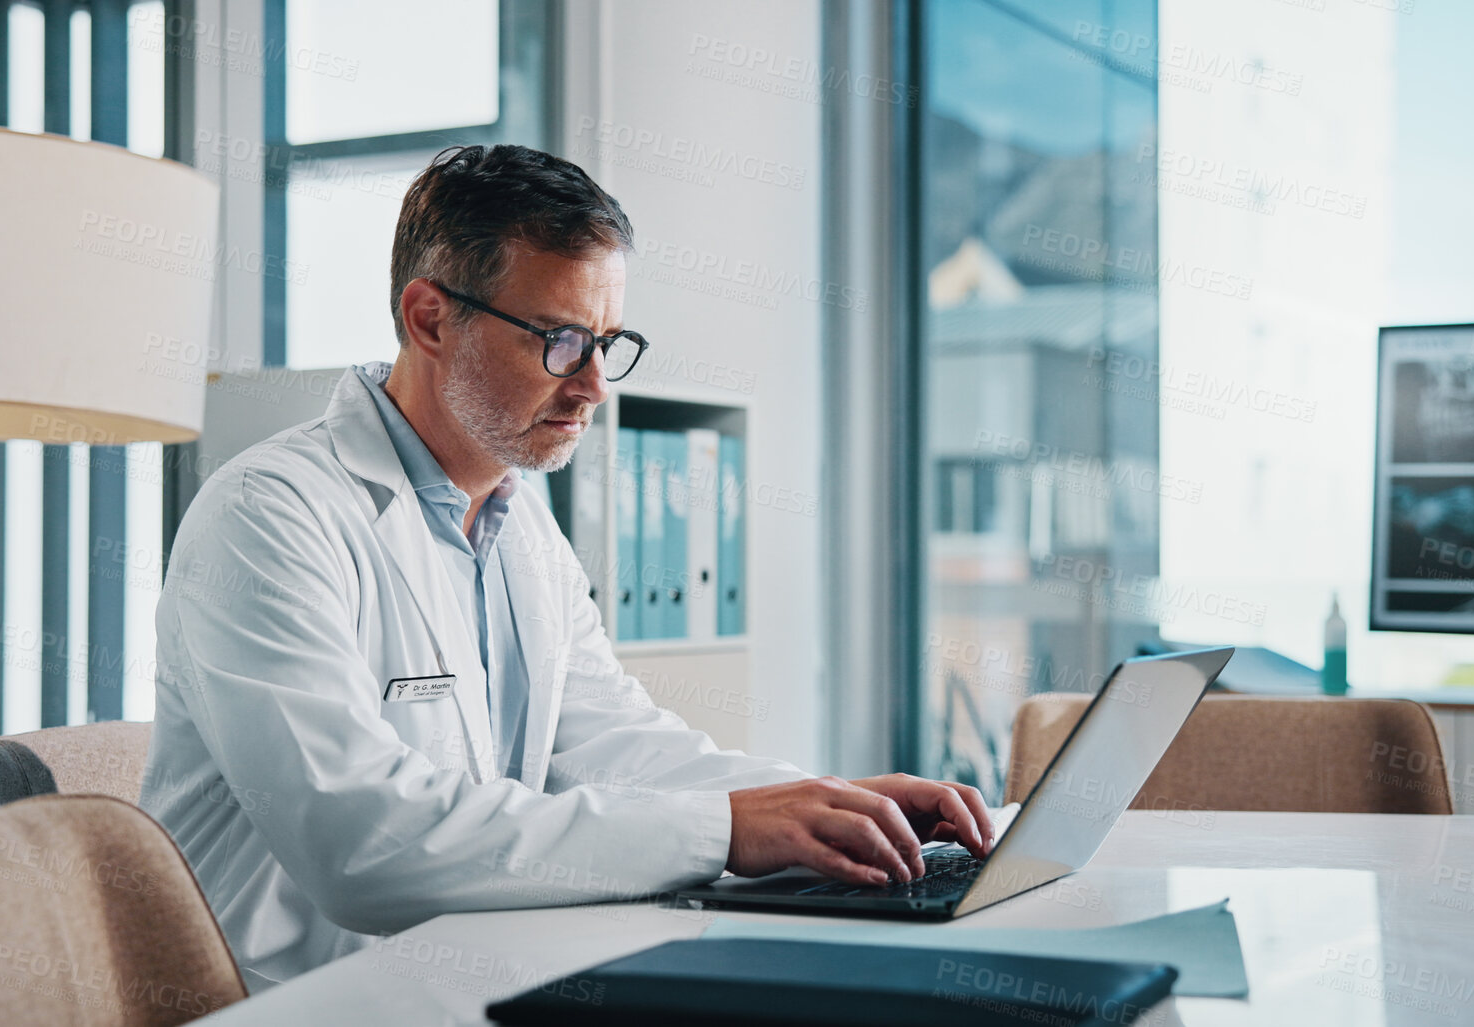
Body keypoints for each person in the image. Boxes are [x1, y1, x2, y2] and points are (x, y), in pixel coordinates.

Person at [139, 144, 995, 989]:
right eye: (559, 340)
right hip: (289, 1002)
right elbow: (360, 845)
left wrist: (828, 805)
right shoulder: (268, 514)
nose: (593, 387)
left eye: (607, 343)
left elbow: (615, 747)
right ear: (429, 317)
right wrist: (726, 830)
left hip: (465, 978)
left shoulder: (520, 526)